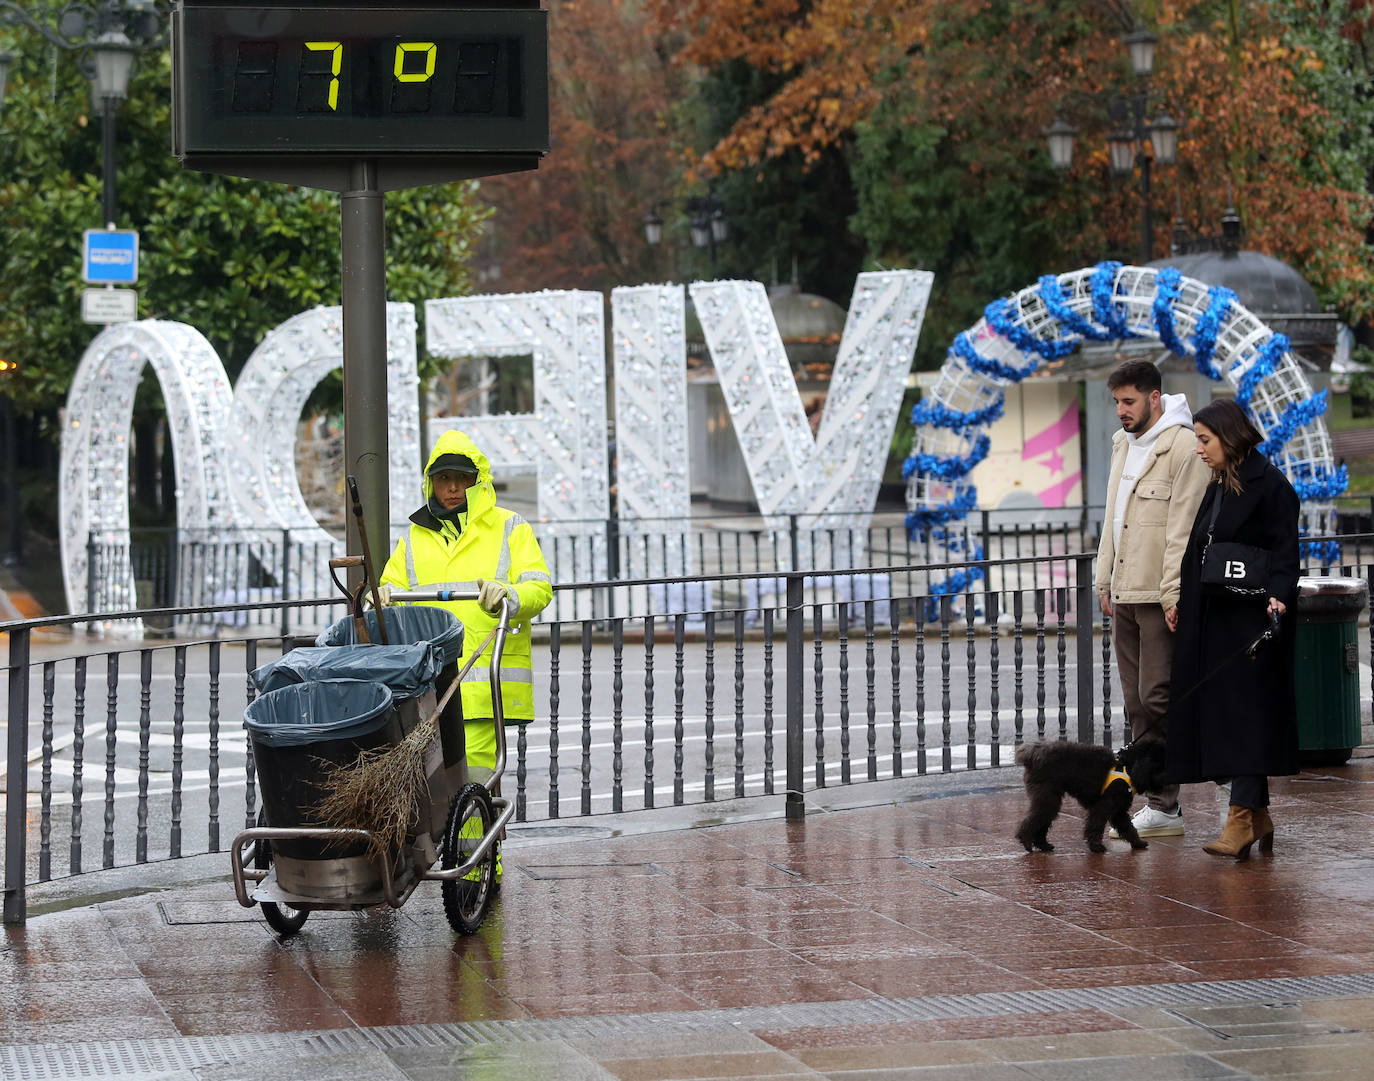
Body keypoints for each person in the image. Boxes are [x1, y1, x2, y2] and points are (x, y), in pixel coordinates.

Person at [377, 428, 553, 797]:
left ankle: (477, 856)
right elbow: (388, 591)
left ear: (478, 482)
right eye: (444, 479)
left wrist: (509, 594)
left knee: (473, 784)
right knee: (430, 791)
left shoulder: (509, 526)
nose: (453, 488)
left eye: (462, 479)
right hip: (425, 687)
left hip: (483, 685)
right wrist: (377, 598)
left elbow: (539, 587)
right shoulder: (412, 538)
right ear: (431, 484)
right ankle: (461, 853)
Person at [1166, 398, 1300, 857]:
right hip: (1214, 618)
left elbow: (1285, 553)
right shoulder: (1220, 483)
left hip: (1251, 621)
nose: (1199, 449)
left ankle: (1242, 818)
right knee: (1229, 718)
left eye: (1204, 440)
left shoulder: (1271, 486)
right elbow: (1201, 548)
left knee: (1247, 718)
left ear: (1229, 437)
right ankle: (1256, 816)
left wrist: (1280, 596)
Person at [1095, 360, 1209, 838]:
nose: (1121, 411)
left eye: (1129, 401)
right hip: (1124, 591)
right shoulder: (1124, 442)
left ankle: (1181, 792)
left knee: (1156, 696)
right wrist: (1104, 581)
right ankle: (1162, 806)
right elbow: (1112, 518)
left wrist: (1171, 593)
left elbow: (1182, 528)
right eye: (1117, 402)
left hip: (1159, 595)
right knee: (1136, 703)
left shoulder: (1183, 446)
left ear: (1154, 398)